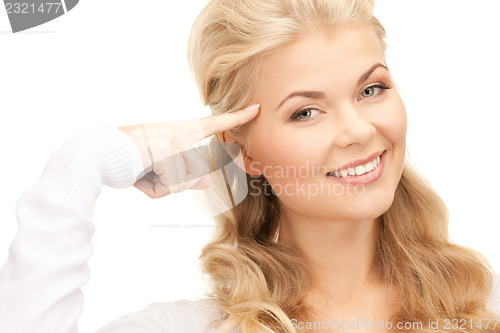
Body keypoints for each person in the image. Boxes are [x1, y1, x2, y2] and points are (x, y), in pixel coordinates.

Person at [0, 1, 499, 333]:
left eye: (372, 89)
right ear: (247, 152)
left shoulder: (483, 305)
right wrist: (83, 161)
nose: (359, 131)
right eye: (306, 111)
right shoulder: (189, 328)